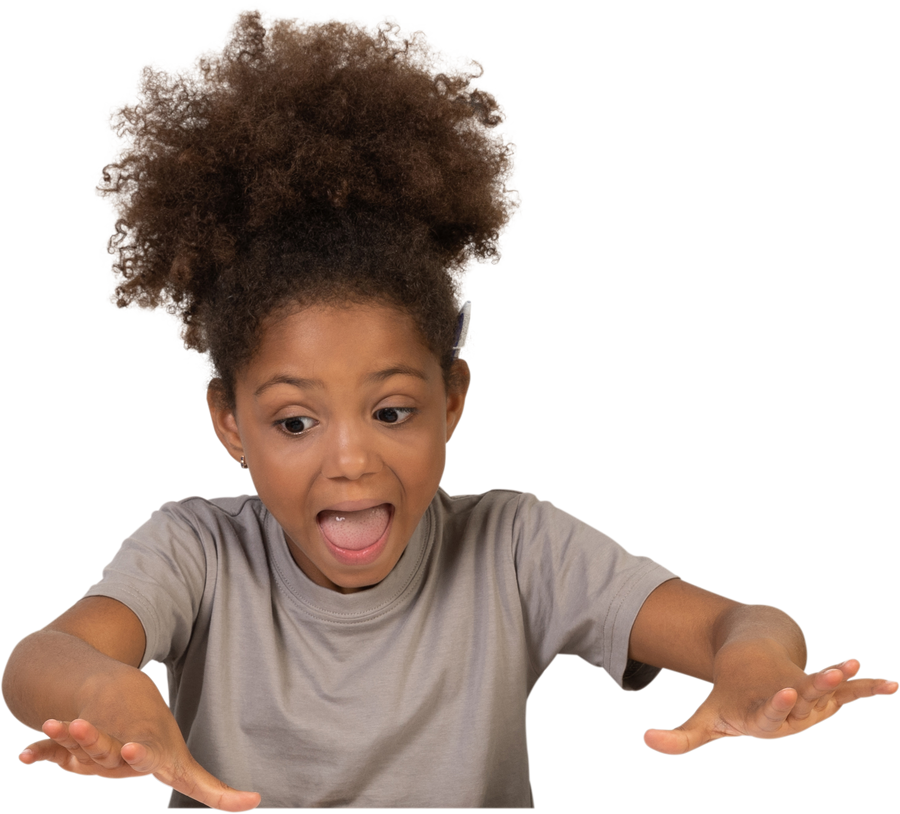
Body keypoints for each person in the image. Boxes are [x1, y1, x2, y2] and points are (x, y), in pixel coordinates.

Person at [2, 4, 896, 811]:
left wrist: (753, 667)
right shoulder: (196, 550)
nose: (350, 459)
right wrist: (106, 694)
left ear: (454, 397)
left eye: (391, 411)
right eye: (295, 422)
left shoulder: (514, 547)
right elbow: (37, 661)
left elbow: (738, 621)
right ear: (227, 421)